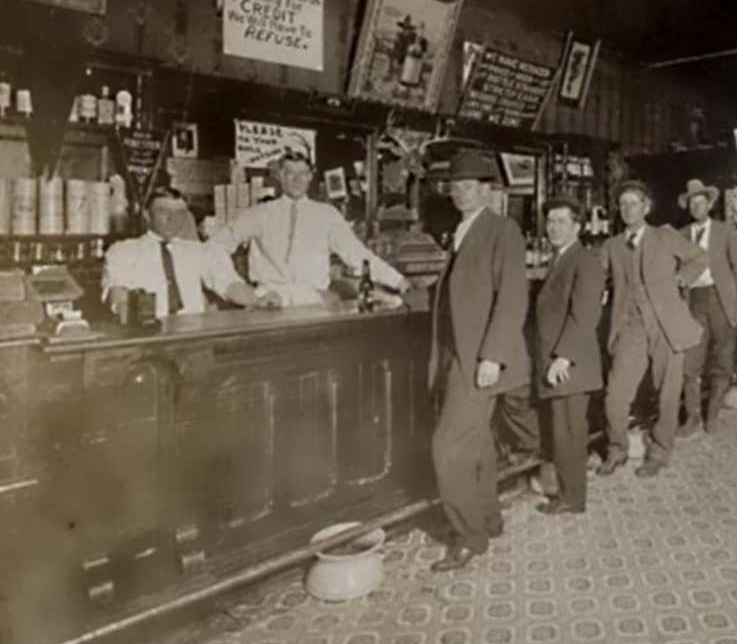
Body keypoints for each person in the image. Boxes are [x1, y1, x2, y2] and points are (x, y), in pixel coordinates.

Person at [427, 150, 530, 571]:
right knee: (478, 443)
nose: (461, 192)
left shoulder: (501, 229)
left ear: (487, 189)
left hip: (480, 358)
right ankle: (488, 518)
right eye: (455, 185)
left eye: (469, 185)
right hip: (457, 354)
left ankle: (469, 536)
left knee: (446, 447)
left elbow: (512, 296)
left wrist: (492, 356)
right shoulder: (462, 230)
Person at [599, 180, 705, 478]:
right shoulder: (612, 246)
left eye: (634, 203)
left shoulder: (665, 235)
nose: (628, 209)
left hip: (666, 325)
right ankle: (617, 450)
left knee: (667, 393)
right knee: (616, 394)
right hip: (630, 327)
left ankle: (659, 452)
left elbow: (699, 257)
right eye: (623, 204)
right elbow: (596, 276)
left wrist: (682, 279)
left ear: (646, 207)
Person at [209, 151, 410, 307]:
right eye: (290, 173)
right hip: (268, 301)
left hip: (313, 302)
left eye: (303, 173)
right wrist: (235, 289)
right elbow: (215, 247)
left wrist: (397, 281)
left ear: (310, 177)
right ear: (280, 176)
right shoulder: (259, 213)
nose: (297, 179)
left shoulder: (327, 215)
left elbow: (356, 254)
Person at [103, 186, 279, 318]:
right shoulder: (123, 251)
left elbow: (229, 284)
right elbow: (119, 296)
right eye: (163, 211)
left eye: (180, 213)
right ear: (147, 215)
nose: (172, 219)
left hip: (193, 334)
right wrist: (126, 311)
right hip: (147, 335)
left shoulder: (200, 251)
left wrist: (257, 300)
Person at [534, 196, 604, 515]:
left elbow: (584, 314)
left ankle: (572, 498)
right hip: (560, 361)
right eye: (550, 221)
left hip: (570, 364)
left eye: (561, 221)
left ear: (577, 226)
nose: (553, 227)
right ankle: (568, 493)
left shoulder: (584, 259)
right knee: (564, 432)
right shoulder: (560, 258)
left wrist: (563, 357)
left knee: (570, 434)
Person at [676, 179, 737, 437]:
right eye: (692, 203)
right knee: (689, 363)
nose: (697, 206)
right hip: (694, 301)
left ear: (709, 204)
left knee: (723, 360)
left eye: (701, 202)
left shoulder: (725, 230)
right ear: (689, 207)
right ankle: (692, 417)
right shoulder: (682, 234)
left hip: (723, 300)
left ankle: (713, 415)